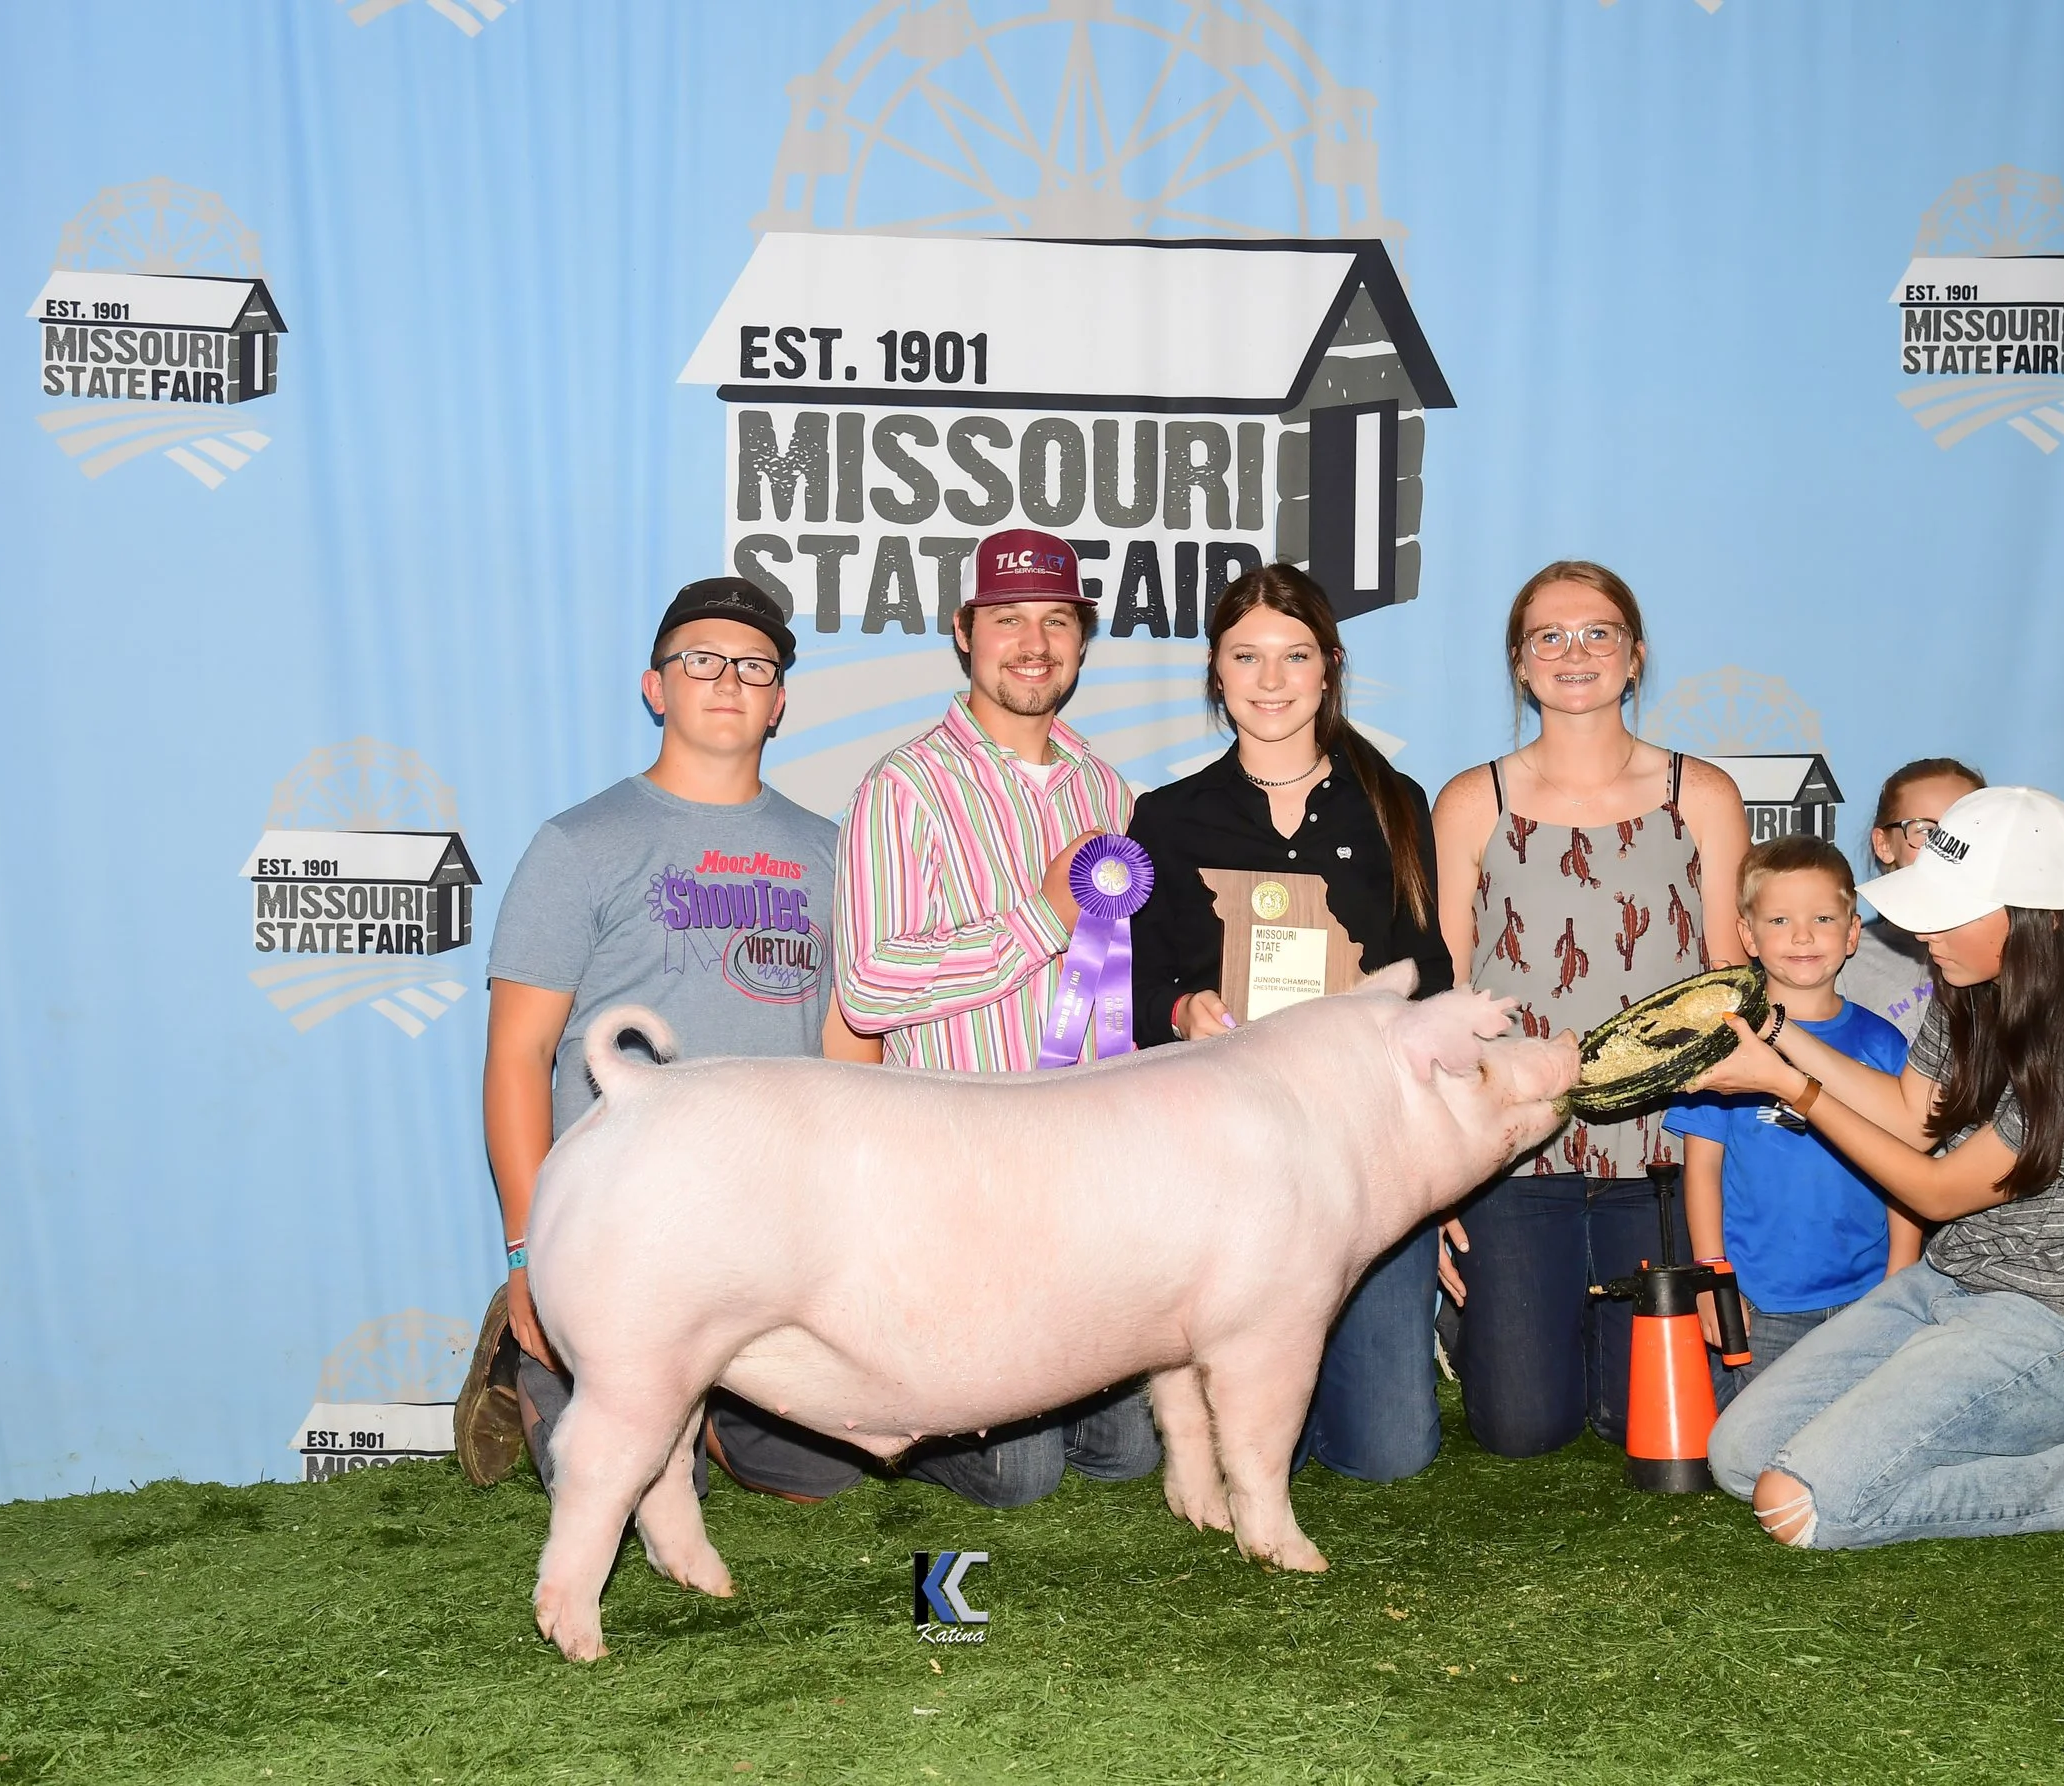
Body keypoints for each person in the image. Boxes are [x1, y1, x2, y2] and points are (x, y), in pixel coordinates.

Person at [1698, 786, 2064, 1548]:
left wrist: (1789, 1087)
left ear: (2031, 919)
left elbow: (1937, 1190)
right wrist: (1774, 1030)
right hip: (1963, 1279)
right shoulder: (1973, 985)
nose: (1921, 930)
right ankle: (2008, 1423)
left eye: (1946, 910)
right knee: (1740, 1456)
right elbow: (1915, 1117)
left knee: (1795, 1505)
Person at [456, 577, 876, 1504]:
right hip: (618, 1230)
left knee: (827, 1482)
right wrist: (530, 1252)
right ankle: (550, 1354)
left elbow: (853, 1057)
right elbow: (519, 1054)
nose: (726, 679)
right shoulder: (579, 844)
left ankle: (718, 1397)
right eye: (700, 660)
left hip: (772, 1241)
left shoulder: (834, 853)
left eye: (753, 666)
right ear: (657, 687)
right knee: (613, 1480)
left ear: (778, 701)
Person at [835, 526, 1162, 1508]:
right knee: (1021, 1475)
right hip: (960, 1177)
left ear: (1080, 637)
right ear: (963, 631)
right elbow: (869, 987)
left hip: (1086, 1173)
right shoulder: (905, 787)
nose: (1033, 641)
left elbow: (1128, 980)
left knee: (1129, 1455)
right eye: (1008, 618)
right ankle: (893, 1410)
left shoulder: (1109, 790)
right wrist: (1039, 917)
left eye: (1056, 620)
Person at [1126, 564, 1455, 1483]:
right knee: (1253, 1438)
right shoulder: (1167, 818)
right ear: (1216, 672)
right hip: (1226, 1157)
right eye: (1247, 657)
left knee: (1387, 1457)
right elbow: (1142, 986)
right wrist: (1178, 1008)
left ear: (1330, 667)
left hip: (1364, 1150)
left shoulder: (1393, 802)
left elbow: (1430, 974)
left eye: (1295, 656)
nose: (1271, 682)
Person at [1430, 560, 1751, 1455]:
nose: (1576, 652)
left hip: (1659, 1152)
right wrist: (1445, 1165)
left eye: (1599, 632)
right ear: (1521, 665)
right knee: (1521, 1429)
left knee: (1643, 1422)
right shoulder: (1469, 801)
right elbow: (1447, 997)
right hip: (1515, 1149)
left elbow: (1730, 984)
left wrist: (1715, 1148)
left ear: (1636, 657)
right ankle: (1486, 1329)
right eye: (1550, 637)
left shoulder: (1705, 796)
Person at [1664, 835, 1919, 1401]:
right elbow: (1701, 1171)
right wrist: (1713, 1279)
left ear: (1853, 933)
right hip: (1763, 1303)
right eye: (1780, 919)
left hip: (1868, 1295)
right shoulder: (1721, 1046)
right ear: (1747, 936)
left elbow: (1908, 1168)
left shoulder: (1882, 1042)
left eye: (1823, 918)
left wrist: (1901, 1272)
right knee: (1757, 1455)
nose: (1803, 936)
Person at [1840, 757, 1985, 1040]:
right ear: (1883, 844)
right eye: (1927, 832)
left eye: (1965, 831)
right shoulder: (1845, 958)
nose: (1947, 850)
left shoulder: (2015, 951)